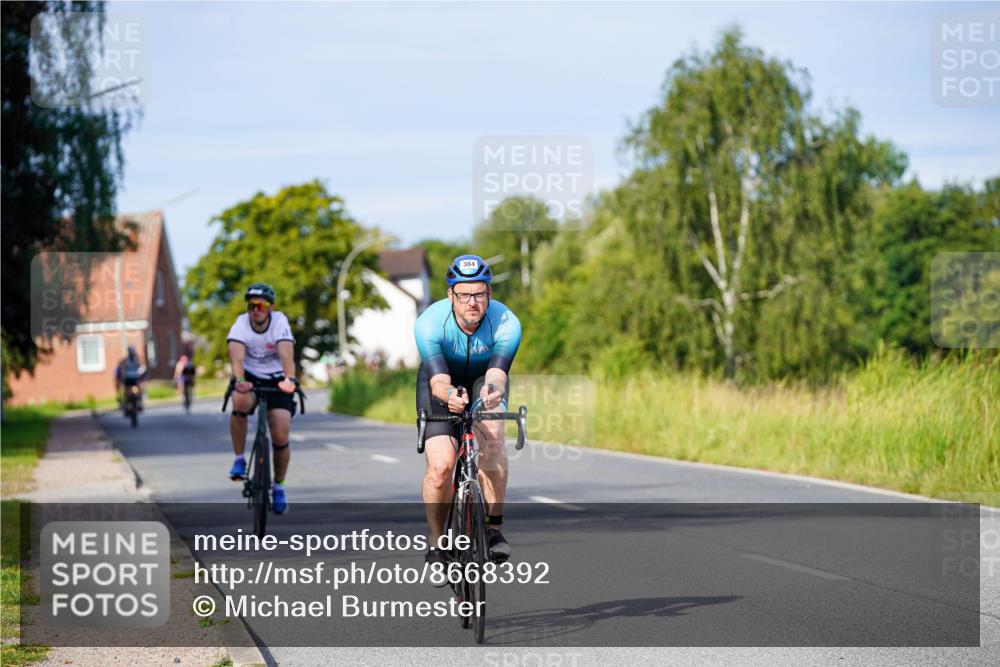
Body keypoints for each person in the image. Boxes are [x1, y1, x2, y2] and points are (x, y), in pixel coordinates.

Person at [414, 254, 522, 573]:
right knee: (441, 467)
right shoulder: (429, 324)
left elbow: (497, 374)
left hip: (483, 381)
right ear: (451, 296)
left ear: (490, 294)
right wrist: (449, 396)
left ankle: (492, 527)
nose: (472, 302)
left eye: (479, 293)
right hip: (440, 384)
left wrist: (492, 392)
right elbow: (438, 381)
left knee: (493, 440)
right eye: (464, 294)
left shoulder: (507, 323)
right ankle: (436, 544)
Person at [226, 282, 299, 515]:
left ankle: (279, 486)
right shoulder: (240, 324)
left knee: (280, 433)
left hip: (277, 379)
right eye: (251, 305)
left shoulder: (279, 321)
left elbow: (286, 353)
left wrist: (290, 378)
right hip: (250, 378)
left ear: (270, 307)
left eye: (261, 305)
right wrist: (239, 380)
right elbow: (237, 358)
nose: (255, 309)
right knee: (239, 401)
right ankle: (239, 459)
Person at [114, 345, 148, 410]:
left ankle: (140, 401)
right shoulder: (126, 361)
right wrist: (121, 378)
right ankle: (126, 403)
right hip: (128, 380)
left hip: (135, 379)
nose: (132, 353)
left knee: (140, 389)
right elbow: (121, 370)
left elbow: (142, 369)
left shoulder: (137, 360)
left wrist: (143, 376)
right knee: (126, 390)